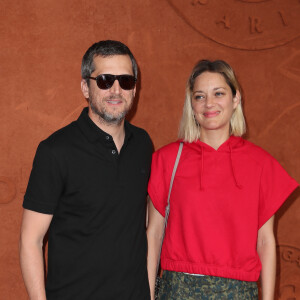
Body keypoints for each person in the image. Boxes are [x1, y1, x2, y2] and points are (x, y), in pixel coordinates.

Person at [146, 60, 298, 300]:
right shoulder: (167, 160)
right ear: (191, 104)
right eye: (199, 96)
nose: (209, 104)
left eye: (219, 93)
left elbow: (266, 241)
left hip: (238, 292)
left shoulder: (260, 164)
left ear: (235, 99)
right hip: (177, 290)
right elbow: (153, 234)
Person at [19, 40, 152, 300]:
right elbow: (30, 241)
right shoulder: (55, 151)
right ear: (85, 87)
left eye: (125, 81)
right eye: (104, 80)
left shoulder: (143, 144)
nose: (116, 90)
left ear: (134, 89)